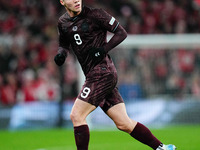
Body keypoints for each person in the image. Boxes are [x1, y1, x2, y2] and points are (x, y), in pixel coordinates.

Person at [54, 0, 177, 150]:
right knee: (123, 123)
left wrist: (103, 49)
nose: (76, 0)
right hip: (95, 75)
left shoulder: (95, 15)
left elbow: (121, 32)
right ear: (62, 1)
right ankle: (163, 148)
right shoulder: (63, 22)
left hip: (102, 72)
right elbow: (63, 44)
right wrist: (61, 54)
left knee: (76, 115)